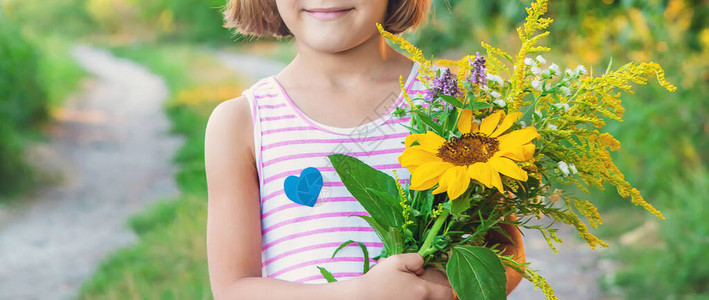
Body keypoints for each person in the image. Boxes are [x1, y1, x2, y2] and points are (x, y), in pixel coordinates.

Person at [204, 1, 525, 299]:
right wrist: (362, 294)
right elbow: (233, 289)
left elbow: (509, 253)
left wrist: (450, 290)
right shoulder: (242, 123)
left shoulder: (455, 101)